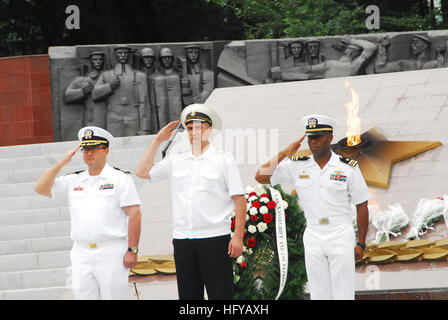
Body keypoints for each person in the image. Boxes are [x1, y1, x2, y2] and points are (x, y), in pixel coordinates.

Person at [135, 103, 246, 300]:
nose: (193, 132)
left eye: (199, 127)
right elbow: (142, 172)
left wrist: (237, 237)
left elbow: (239, 199)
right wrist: (158, 140)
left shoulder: (223, 160)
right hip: (183, 241)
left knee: (221, 296)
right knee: (189, 298)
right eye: (189, 128)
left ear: (209, 130)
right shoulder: (176, 161)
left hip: (215, 240)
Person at [255, 114, 370, 300]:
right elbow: (260, 176)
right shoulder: (298, 166)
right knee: (318, 293)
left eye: (318, 136)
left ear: (330, 138)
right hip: (313, 234)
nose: (313, 141)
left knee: (343, 292)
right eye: (310, 137)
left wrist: (361, 242)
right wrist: (285, 152)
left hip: (340, 232)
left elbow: (362, 204)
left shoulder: (347, 167)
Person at [34, 126, 142, 300]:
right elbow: (40, 188)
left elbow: (135, 214)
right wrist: (62, 162)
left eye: (94, 148)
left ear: (106, 150)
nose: (89, 153)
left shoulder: (120, 178)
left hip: (111, 251)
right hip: (81, 252)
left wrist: (133, 249)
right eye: (85, 149)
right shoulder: (74, 179)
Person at [92, 45, 150, 137]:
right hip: (113, 119)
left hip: (133, 118)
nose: (123, 55)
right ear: (115, 55)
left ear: (129, 55)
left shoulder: (139, 76)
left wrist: (145, 128)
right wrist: (110, 86)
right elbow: (95, 94)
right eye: (120, 53)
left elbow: (145, 103)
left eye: (125, 53)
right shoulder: (106, 75)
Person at [64, 51, 107, 128]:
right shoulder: (82, 79)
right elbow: (67, 95)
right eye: (95, 59)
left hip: (107, 115)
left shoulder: (107, 76)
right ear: (90, 61)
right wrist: (82, 91)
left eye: (100, 59)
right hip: (91, 116)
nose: (98, 62)